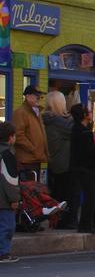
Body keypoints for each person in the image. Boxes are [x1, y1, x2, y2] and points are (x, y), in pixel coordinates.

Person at [68, 104, 95, 233]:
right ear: (84, 116)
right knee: (90, 197)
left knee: (90, 196)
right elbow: (87, 151)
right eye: (88, 112)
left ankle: (92, 222)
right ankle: (86, 224)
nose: (90, 113)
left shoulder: (79, 129)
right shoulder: (83, 131)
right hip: (86, 168)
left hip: (81, 167)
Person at [42, 91, 74, 228]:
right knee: (66, 195)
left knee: (56, 193)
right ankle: (64, 221)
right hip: (65, 163)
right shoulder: (61, 123)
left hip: (52, 161)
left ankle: (55, 220)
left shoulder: (44, 120)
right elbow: (77, 132)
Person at [13, 85, 49, 181]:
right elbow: (18, 135)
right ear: (28, 96)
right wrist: (34, 149)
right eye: (37, 96)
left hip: (36, 159)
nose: (39, 99)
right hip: (27, 161)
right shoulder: (20, 112)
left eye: (40, 97)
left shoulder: (36, 112)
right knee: (30, 191)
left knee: (37, 190)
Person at [0, 122, 21, 264]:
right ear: (11, 137)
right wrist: (15, 199)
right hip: (4, 199)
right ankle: (3, 253)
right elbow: (10, 180)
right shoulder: (8, 155)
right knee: (7, 226)